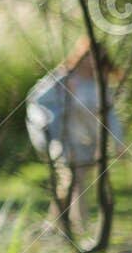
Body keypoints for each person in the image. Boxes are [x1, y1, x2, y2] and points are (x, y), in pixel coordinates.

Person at [26, 36, 125, 231]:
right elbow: (37, 100)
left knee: (71, 184)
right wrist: (54, 121)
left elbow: (110, 113)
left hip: (89, 141)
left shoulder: (101, 82)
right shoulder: (65, 77)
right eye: (90, 55)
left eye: (98, 57)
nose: (93, 61)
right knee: (77, 182)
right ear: (82, 54)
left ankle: (54, 225)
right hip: (64, 139)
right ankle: (82, 229)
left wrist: (118, 141)